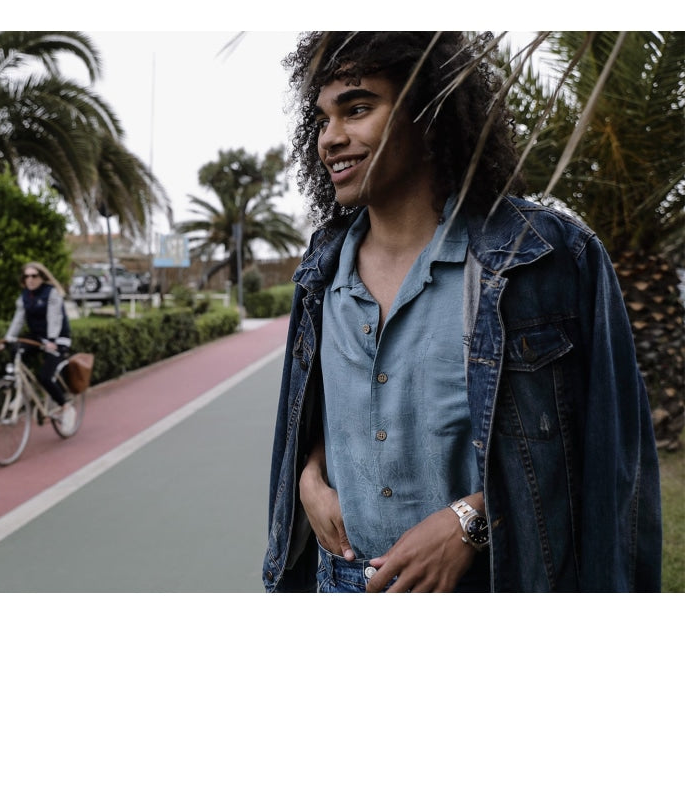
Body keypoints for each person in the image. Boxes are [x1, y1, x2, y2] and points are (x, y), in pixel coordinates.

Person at [263, 31, 662, 592]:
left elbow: (610, 461)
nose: (330, 138)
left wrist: (473, 521)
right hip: (340, 581)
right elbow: (331, 408)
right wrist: (310, 471)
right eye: (322, 119)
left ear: (429, 113)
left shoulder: (544, 256)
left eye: (356, 109)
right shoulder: (320, 271)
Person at [0, 261, 75, 432]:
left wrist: (52, 340)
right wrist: (7, 339)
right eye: (26, 276)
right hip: (38, 338)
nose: (30, 280)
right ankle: (21, 392)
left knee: (45, 377)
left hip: (58, 339)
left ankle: (66, 408)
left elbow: (54, 318)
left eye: (34, 276)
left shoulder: (51, 293)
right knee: (16, 350)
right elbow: (18, 319)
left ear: (42, 277)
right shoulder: (24, 296)